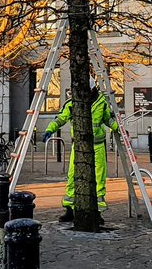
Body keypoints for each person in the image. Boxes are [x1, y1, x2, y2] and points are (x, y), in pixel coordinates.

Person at [42, 84, 118, 223]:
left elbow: (108, 119)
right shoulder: (72, 103)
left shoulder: (101, 102)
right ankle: (70, 209)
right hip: (79, 146)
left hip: (97, 146)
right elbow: (61, 118)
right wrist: (50, 129)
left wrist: (119, 128)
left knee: (99, 179)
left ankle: (97, 212)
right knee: (72, 176)